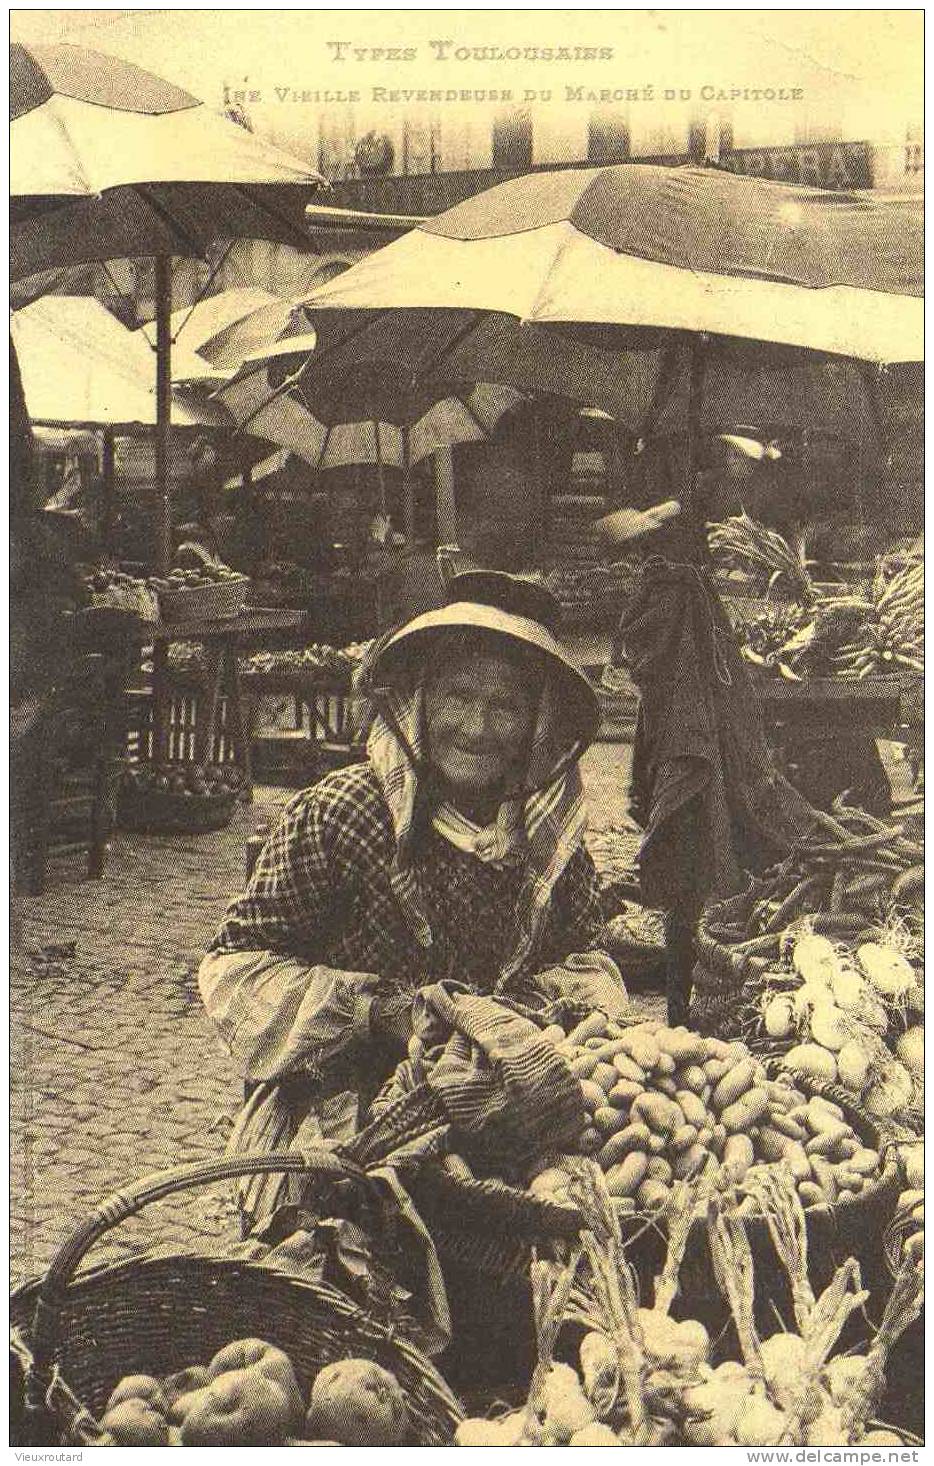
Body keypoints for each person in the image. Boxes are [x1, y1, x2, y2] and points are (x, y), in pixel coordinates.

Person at [200, 570, 628, 1224]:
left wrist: (528, 1014)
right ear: (419, 701)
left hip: (495, 1110)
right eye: (457, 697)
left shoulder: (545, 838)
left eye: (506, 706)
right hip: (346, 1111)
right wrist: (378, 1010)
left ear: (538, 723)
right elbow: (238, 968)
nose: (477, 728)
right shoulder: (344, 812)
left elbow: (585, 959)